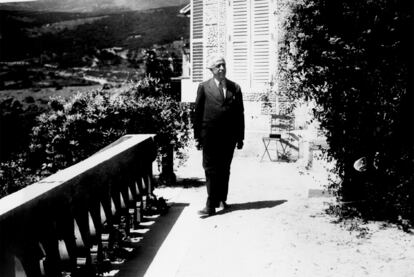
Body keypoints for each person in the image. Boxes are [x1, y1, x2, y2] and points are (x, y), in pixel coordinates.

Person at [193, 54, 245, 216]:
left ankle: (221, 198)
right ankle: (210, 204)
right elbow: (198, 113)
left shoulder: (234, 88)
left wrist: (240, 137)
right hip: (210, 136)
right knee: (210, 169)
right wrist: (197, 137)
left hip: (228, 137)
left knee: (224, 168)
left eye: (223, 65)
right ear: (211, 70)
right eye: (218, 66)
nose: (222, 68)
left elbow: (239, 114)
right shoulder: (204, 87)